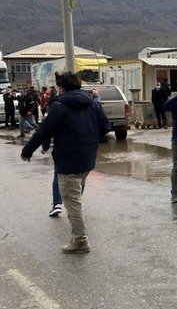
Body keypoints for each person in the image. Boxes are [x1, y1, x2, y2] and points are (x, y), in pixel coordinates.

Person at [20, 72, 111, 254]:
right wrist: (89, 141)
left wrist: (27, 151)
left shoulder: (59, 106)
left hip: (68, 160)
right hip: (87, 159)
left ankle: (80, 240)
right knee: (76, 198)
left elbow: (43, 131)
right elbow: (105, 127)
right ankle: (78, 237)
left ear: (61, 87)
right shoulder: (93, 103)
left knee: (72, 201)